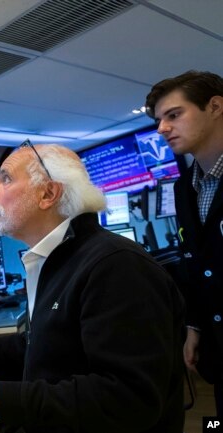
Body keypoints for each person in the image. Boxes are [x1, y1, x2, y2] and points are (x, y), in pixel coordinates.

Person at [0, 143, 185, 432]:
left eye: (5, 178)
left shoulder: (115, 265)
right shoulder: (58, 260)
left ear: (48, 194)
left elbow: (128, 399)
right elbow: (42, 345)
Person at [145, 70, 223, 416]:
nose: (162, 128)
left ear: (215, 106)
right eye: (160, 119)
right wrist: (194, 326)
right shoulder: (183, 188)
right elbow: (197, 263)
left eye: (173, 115)